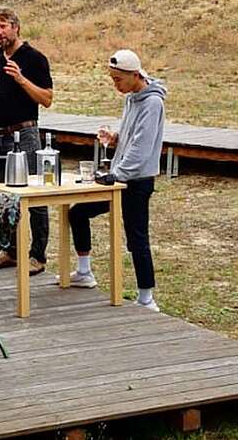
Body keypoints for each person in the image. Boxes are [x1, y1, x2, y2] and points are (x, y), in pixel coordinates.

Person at [64, 49, 166, 312]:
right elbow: (132, 136)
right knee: (78, 213)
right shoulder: (132, 97)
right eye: (112, 79)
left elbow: (142, 148)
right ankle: (84, 272)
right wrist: (115, 137)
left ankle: (147, 298)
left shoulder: (152, 103)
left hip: (136, 181)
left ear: (135, 75)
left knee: (136, 237)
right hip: (120, 178)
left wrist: (117, 174)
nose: (115, 84)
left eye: (118, 79)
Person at [0, 6, 53, 276]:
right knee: (0, 197)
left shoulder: (34, 59)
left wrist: (21, 79)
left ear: (16, 27)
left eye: (2, 27)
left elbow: (47, 98)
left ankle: (38, 254)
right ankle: (10, 250)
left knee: (34, 193)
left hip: (24, 133)